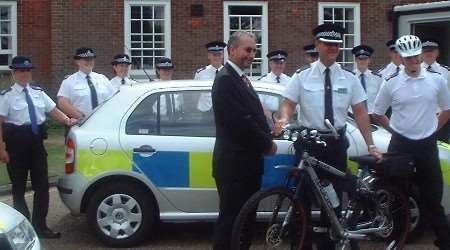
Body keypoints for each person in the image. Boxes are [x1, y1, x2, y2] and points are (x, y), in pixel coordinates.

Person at [273, 23, 382, 250]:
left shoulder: (349, 78)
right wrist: (283, 120)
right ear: (317, 45)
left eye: (336, 44)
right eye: (328, 44)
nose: (333, 48)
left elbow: (361, 113)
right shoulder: (302, 76)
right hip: (309, 146)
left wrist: (371, 144)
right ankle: (300, 246)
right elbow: (288, 104)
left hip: (335, 147)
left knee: (332, 205)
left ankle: (329, 246)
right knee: (300, 203)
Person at [372, 35, 450, 250]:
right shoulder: (391, 83)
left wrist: (434, 128)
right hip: (401, 145)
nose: (413, 61)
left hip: (426, 144)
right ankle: (396, 241)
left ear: (420, 55)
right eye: (408, 58)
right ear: (401, 58)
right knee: (397, 196)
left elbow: (447, 108)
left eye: (416, 57)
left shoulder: (437, 80)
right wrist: (395, 131)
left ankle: (444, 242)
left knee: (433, 197)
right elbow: (378, 113)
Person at [211, 31, 277, 250]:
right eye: (247, 50)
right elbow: (241, 121)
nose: (252, 55)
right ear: (232, 50)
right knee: (231, 222)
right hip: (234, 167)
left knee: (246, 221)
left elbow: (253, 113)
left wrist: (271, 125)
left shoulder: (240, 78)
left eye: (254, 50)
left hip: (246, 165)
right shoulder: (226, 79)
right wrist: (267, 143)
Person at [0, 56, 77, 238]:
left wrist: (68, 120)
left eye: (27, 71)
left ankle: (40, 226)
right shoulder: (6, 97)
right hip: (16, 144)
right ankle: (23, 229)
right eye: (20, 71)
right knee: (18, 188)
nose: (24, 74)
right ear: (14, 73)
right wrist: (1, 148)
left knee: (41, 187)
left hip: (36, 144)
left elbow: (53, 110)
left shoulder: (38, 92)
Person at [57, 47, 115, 120]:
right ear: (77, 61)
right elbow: (62, 103)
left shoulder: (102, 79)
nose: (89, 62)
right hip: (80, 123)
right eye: (86, 60)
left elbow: (113, 99)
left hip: (104, 121)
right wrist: (80, 117)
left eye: (91, 59)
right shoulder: (69, 81)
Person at [421, 38, 450, 142]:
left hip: (441, 118)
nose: (429, 53)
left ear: (437, 53)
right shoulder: (414, 72)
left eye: (432, 51)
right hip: (421, 118)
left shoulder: (446, 71)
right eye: (425, 51)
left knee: (443, 149)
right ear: (420, 54)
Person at [195, 41, 227, 112]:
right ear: (209, 56)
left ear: (222, 56)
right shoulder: (201, 73)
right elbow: (196, 94)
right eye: (214, 55)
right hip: (204, 110)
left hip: (223, 110)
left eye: (219, 55)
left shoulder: (228, 73)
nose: (217, 57)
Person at [351, 45, 382, 115]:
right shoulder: (349, 77)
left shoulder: (378, 78)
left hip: (373, 117)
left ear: (369, 60)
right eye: (360, 59)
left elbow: (382, 100)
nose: (362, 61)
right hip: (353, 118)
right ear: (356, 60)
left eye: (365, 59)